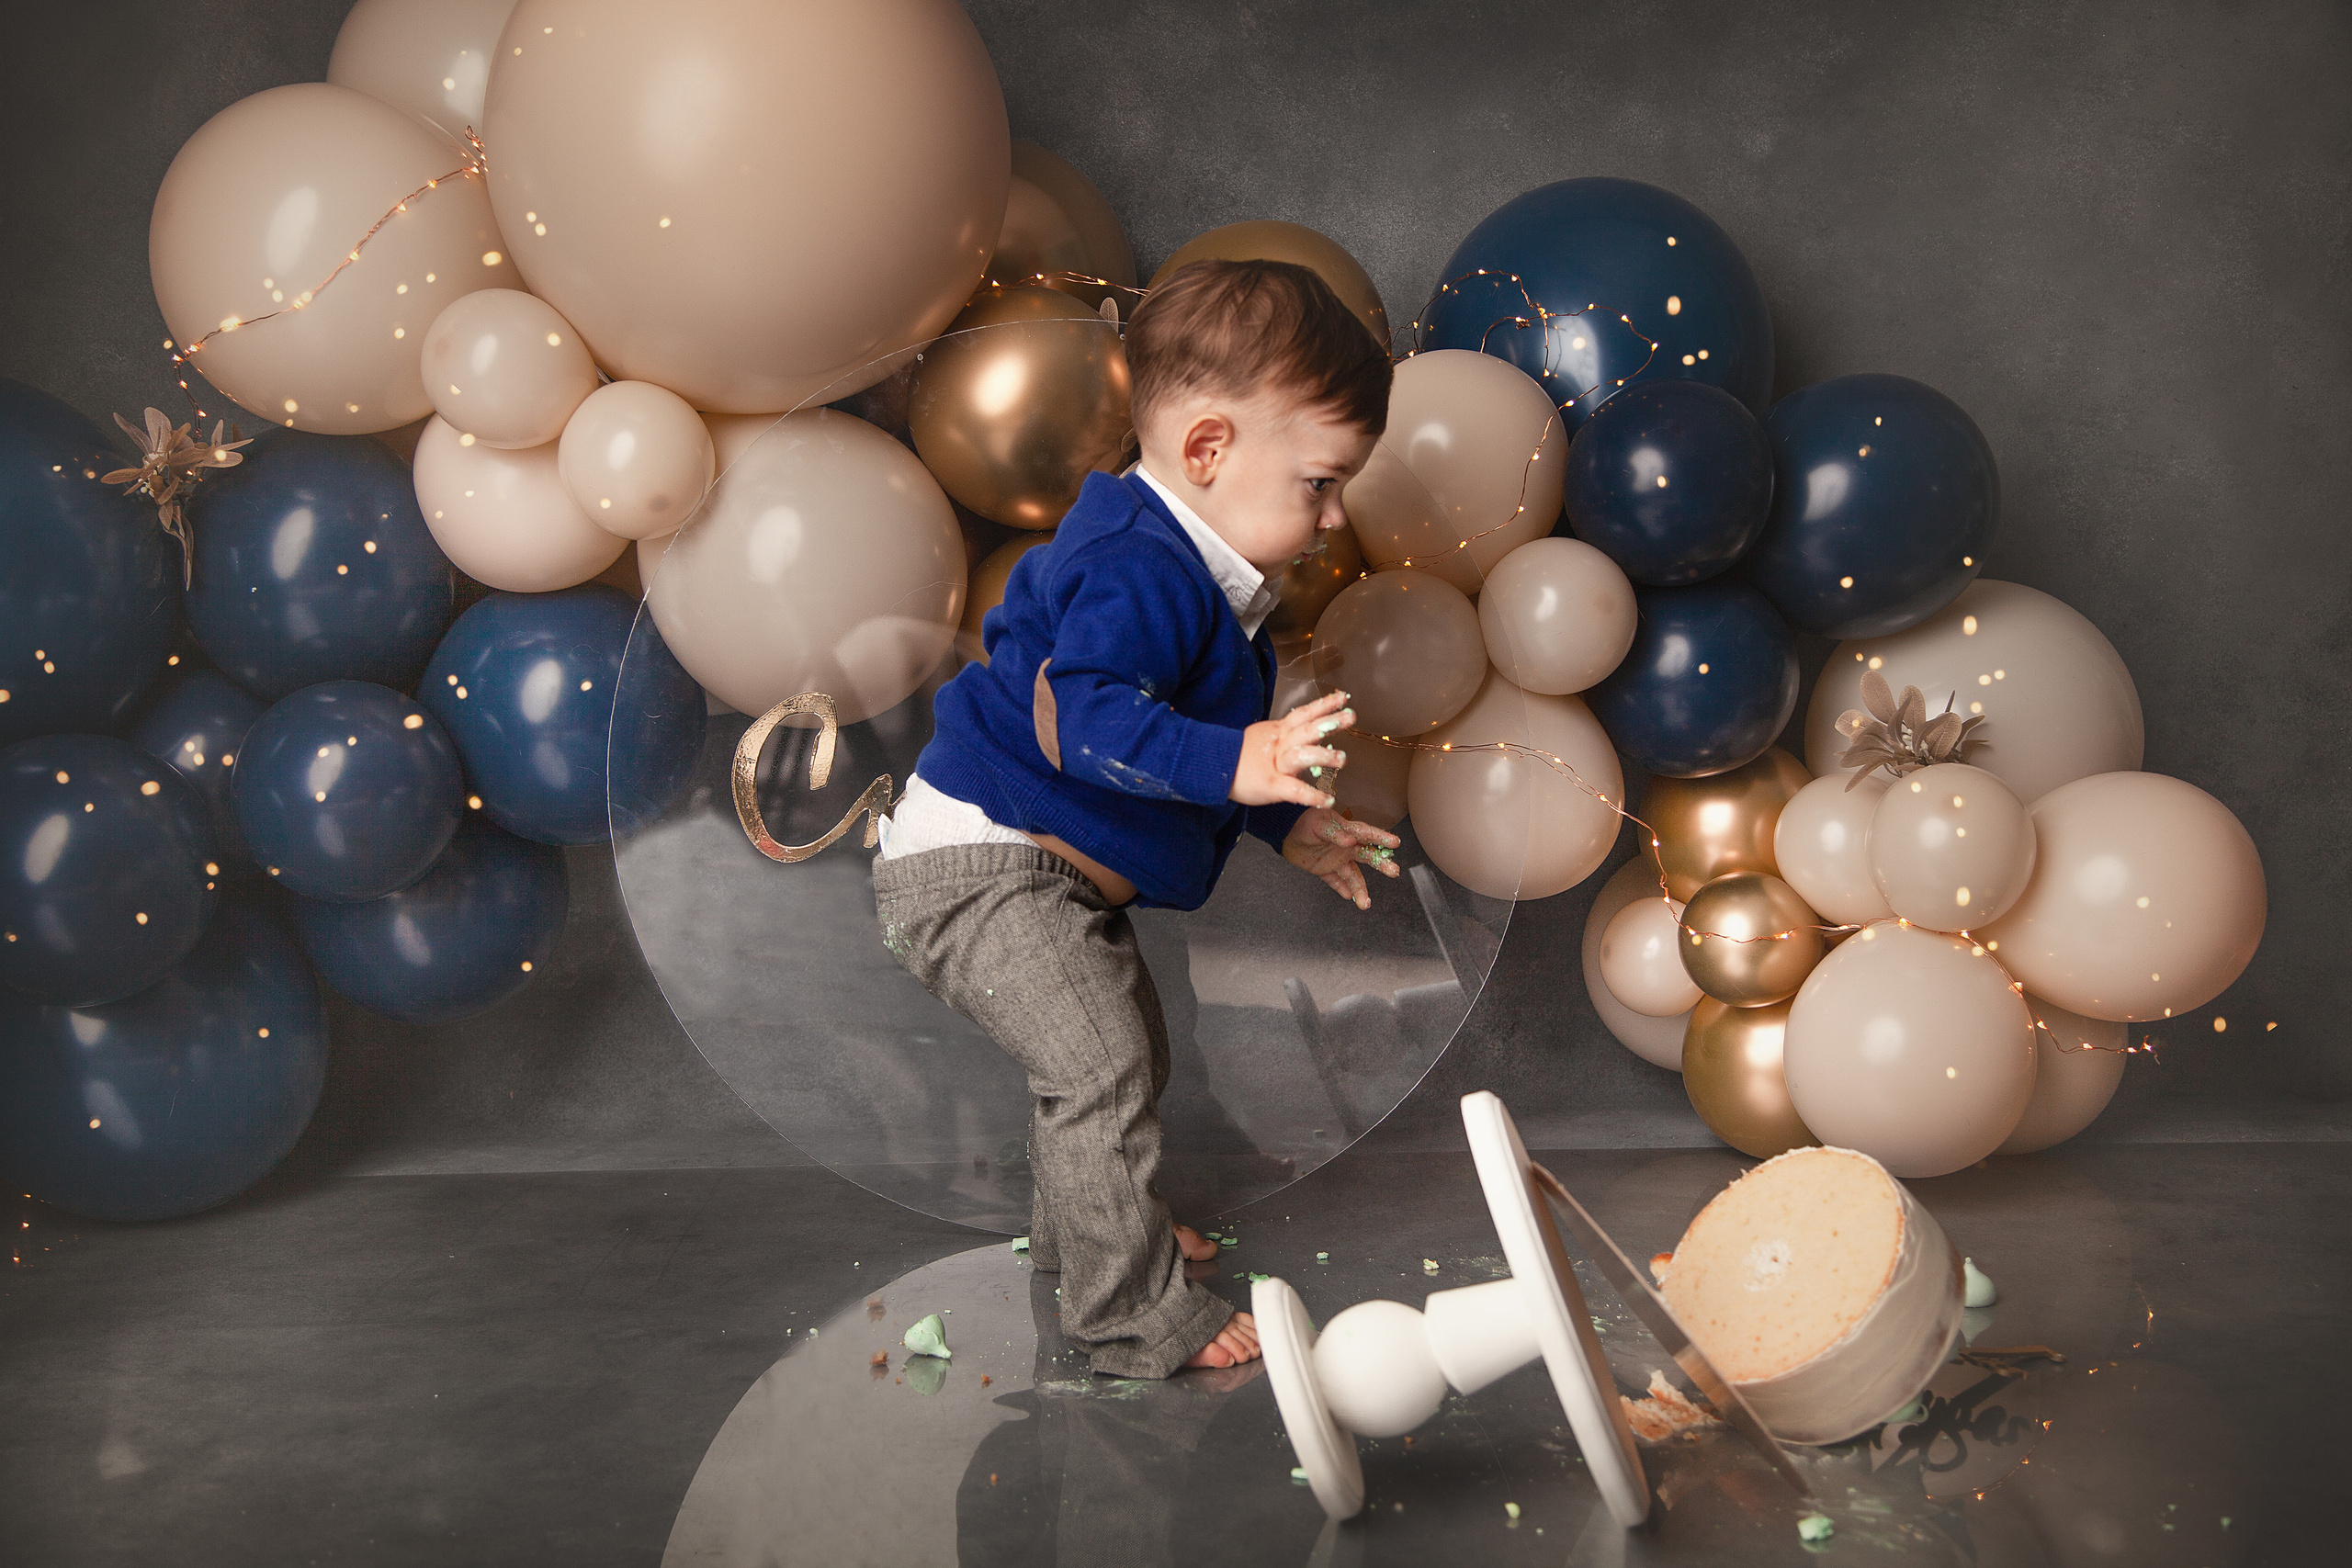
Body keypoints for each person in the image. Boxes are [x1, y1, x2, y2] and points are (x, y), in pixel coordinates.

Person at [872, 258, 1401, 1376]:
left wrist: (1276, 819)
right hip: (979, 866)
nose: (1334, 514)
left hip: (1038, 870)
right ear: (1207, 450)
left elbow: (1178, 747)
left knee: (1126, 1056)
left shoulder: (1199, 579)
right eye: (1319, 482)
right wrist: (1245, 758)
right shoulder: (1135, 565)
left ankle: (1091, 1238)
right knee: (1099, 1068)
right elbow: (1092, 727)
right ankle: (1127, 1318)